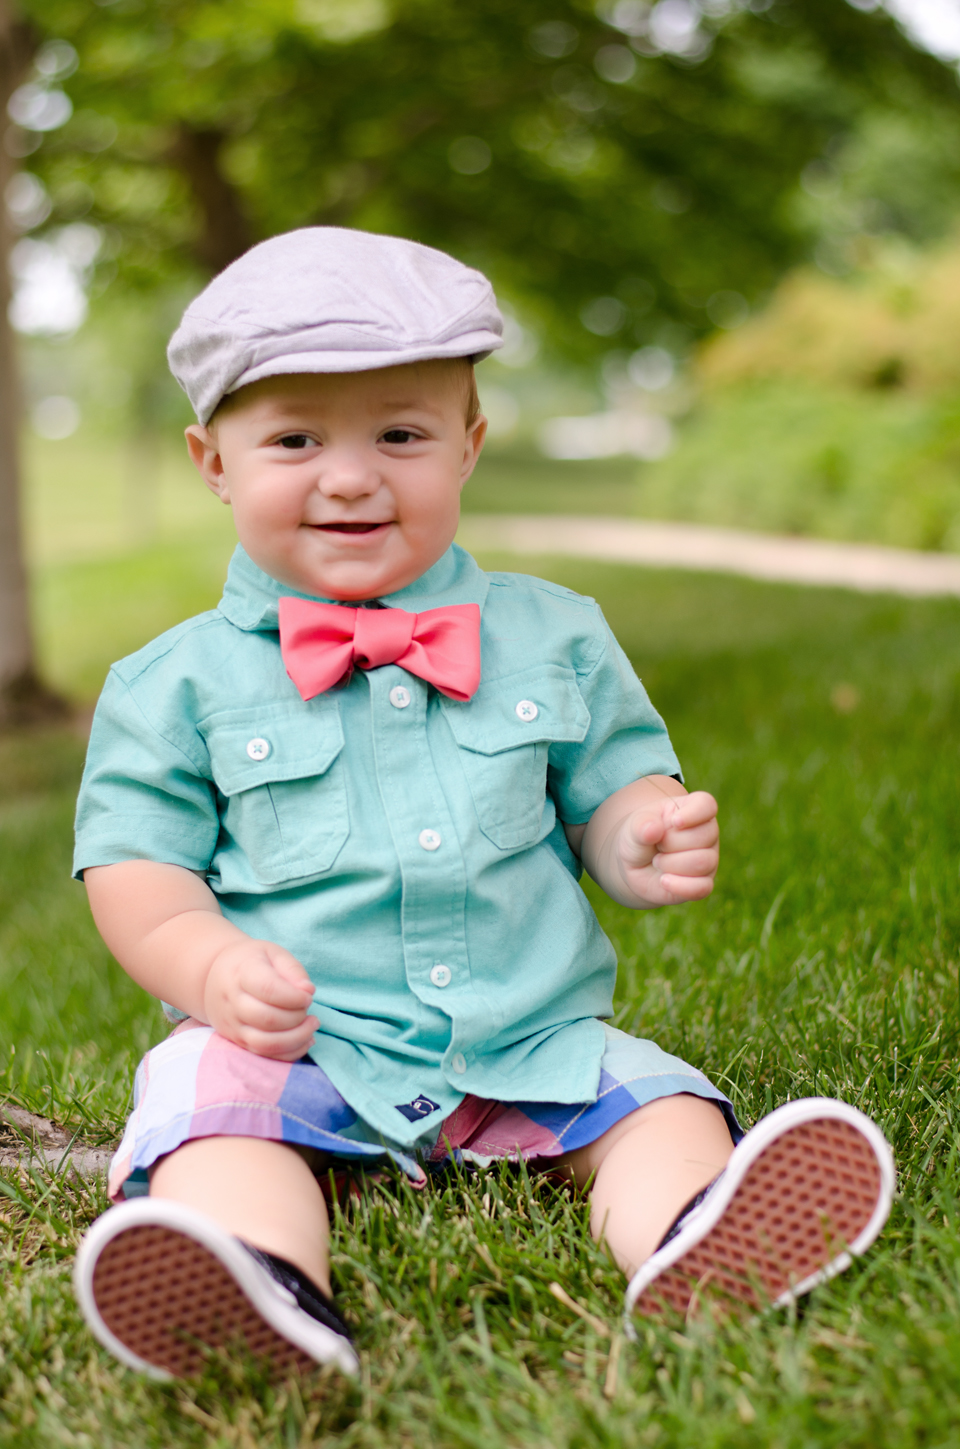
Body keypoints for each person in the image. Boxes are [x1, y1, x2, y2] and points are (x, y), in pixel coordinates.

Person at [72, 228, 894, 1381]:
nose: (351, 475)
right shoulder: (171, 685)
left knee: (657, 1103)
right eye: (296, 438)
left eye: (399, 435)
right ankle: (256, 1282)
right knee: (215, 1122)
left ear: (468, 446)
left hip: (525, 1033)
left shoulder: (558, 633)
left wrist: (638, 837)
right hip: (303, 1048)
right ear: (214, 461)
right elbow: (136, 870)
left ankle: (691, 1239)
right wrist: (209, 970)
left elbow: (609, 789)